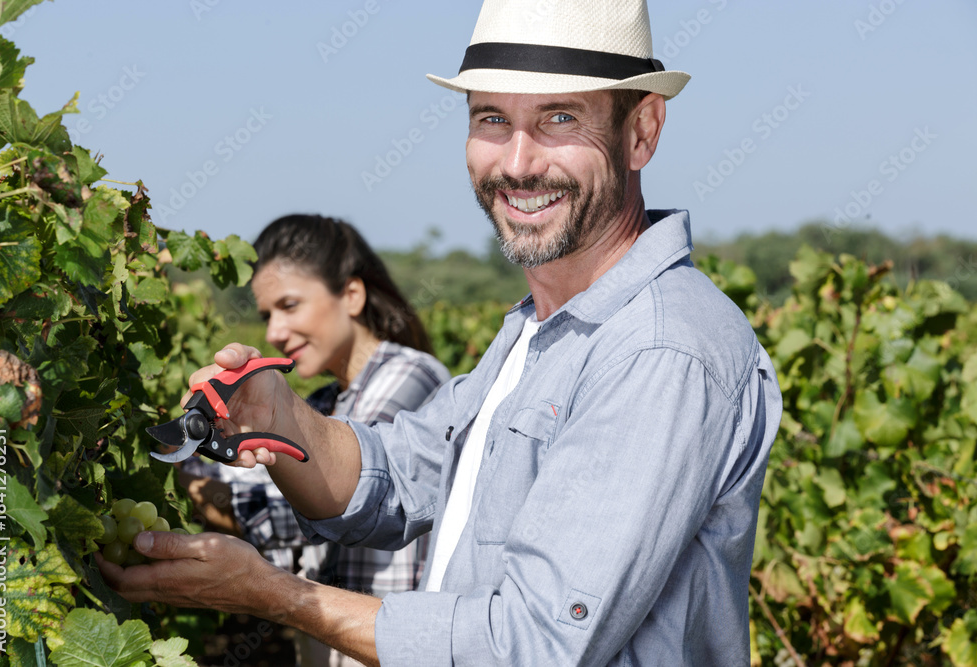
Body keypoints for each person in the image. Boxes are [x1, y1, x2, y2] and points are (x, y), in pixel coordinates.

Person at [100, 1, 782, 665]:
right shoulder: (538, 331)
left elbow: (534, 646)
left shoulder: (658, 350)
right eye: (491, 118)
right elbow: (398, 476)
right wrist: (282, 419)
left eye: (559, 118)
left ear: (642, 131)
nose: (517, 162)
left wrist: (277, 596)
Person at [177, 214, 451, 666]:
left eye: (289, 305)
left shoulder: (410, 378)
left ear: (352, 295)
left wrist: (184, 478)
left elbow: (301, 507)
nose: (273, 333)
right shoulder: (327, 401)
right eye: (267, 315)